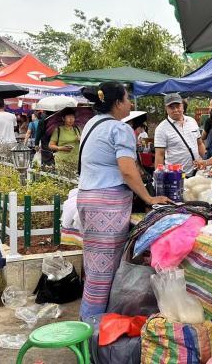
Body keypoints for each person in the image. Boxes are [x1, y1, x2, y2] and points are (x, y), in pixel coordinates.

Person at [78, 82, 170, 319]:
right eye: (127, 98)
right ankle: (93, 333)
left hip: (88, 198)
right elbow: (128, 171)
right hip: (107, 204)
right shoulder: (120, 129)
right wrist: (148, 197)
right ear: (117, 103)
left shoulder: (91, 124)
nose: (130, 103)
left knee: (95, 269)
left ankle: (92, 324)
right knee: (104, 274)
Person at [154, 93, 203, 175]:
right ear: (166, 109)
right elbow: (159, 155)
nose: (176, 110)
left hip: (197, 172)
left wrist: (205, 161)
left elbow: (200, 144)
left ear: (182, 106)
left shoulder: (192, 121)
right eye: (171, 107)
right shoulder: (161, 128)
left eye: (178, 106)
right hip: (175, 175)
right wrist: (159, 177)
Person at [49, 109, 81, 174]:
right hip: (62, 161)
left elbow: (84, 142)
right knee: (63, 181)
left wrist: (81, 139)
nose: (71, 119)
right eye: (68, 117)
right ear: (63, 119)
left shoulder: (77, 129)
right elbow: (50, 145)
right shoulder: (58, 130)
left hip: (75, 161)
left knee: (74, 181)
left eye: (72, 117)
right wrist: (61, 148)